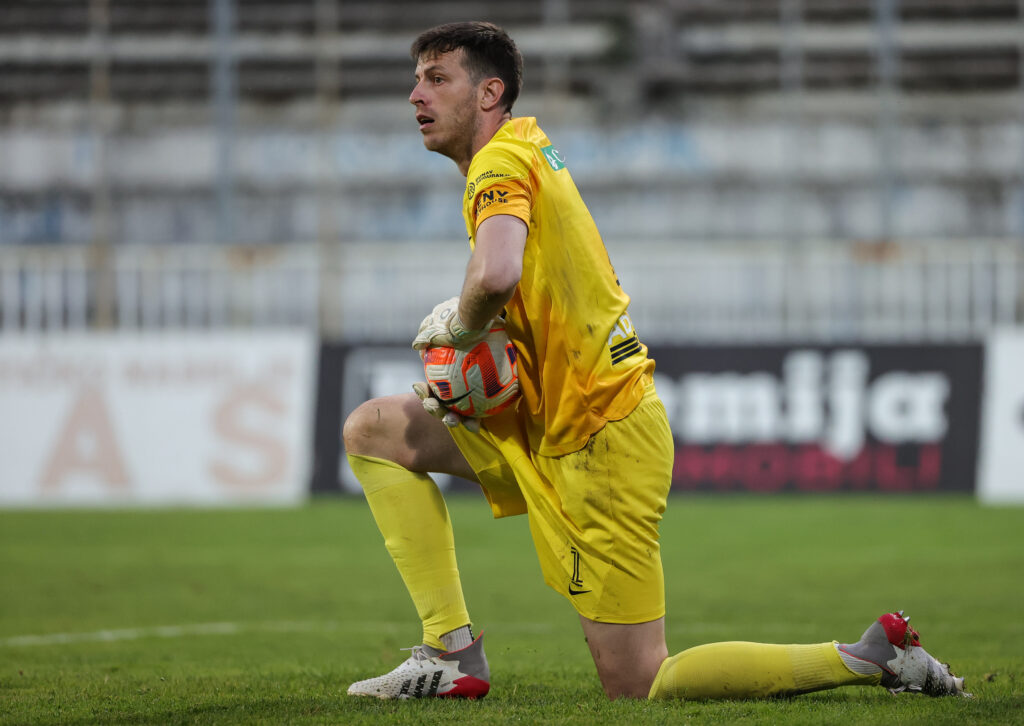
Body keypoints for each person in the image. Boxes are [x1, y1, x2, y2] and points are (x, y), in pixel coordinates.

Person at [342, 21, 969, 701]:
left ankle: (868, 656)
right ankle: (451, 654)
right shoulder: (526, 147)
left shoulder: (499, 163)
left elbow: (495, 275)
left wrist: (460, 329)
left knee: (642, 682)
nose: (416, 95)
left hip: (600, 441)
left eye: (438, 79)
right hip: (553, 422)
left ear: (490, 92)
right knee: (376, 431)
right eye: (417, 80)